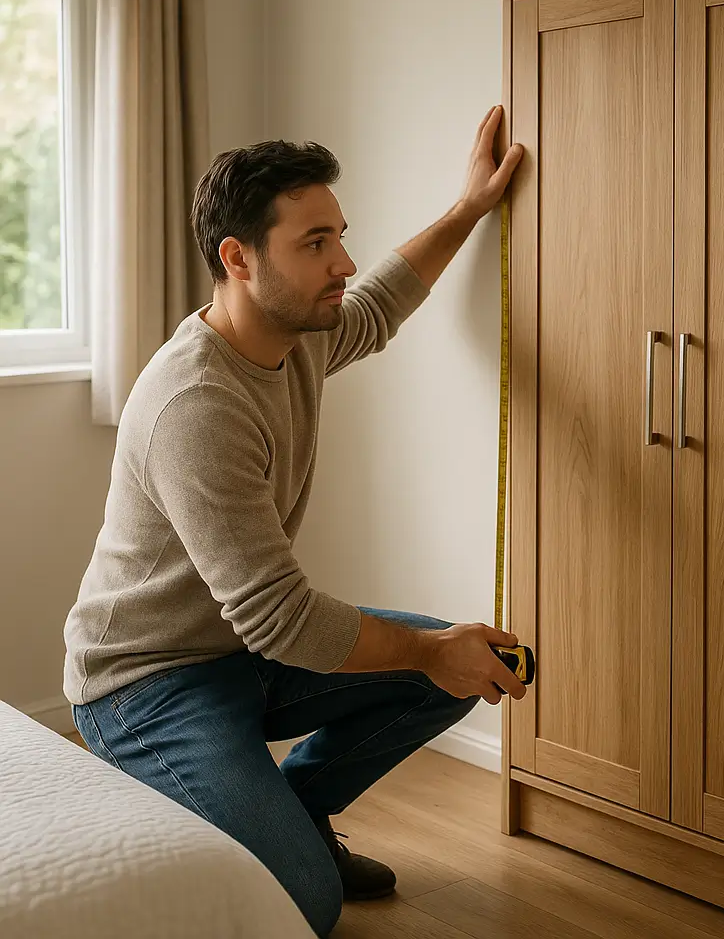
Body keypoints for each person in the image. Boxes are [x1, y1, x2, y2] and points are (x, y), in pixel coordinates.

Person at [62, 106, 527, 938]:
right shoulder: (196, 405)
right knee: (306, 904)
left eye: (339, 236)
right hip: (148, 683)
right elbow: (282, 620)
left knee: (459, 666)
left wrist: (468, 207)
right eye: (315, 244)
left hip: (242, 653)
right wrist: (428, 646)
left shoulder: (296, 335)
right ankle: (236, 825)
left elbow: (382, 300)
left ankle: (287, 813)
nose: (343, 261)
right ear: (237, 259)